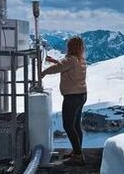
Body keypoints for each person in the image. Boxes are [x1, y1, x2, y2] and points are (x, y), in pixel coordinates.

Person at [42, 36, 87, 166]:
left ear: (70, 47)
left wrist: (43, 72)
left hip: (72, 97)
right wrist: (53, 60)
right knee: (76, 124)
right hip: (82, 95)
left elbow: (59, 67)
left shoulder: (70, 60)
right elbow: (65, 66)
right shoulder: (81, 60)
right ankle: (77, 150)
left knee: (68, 125)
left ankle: (78, 155)